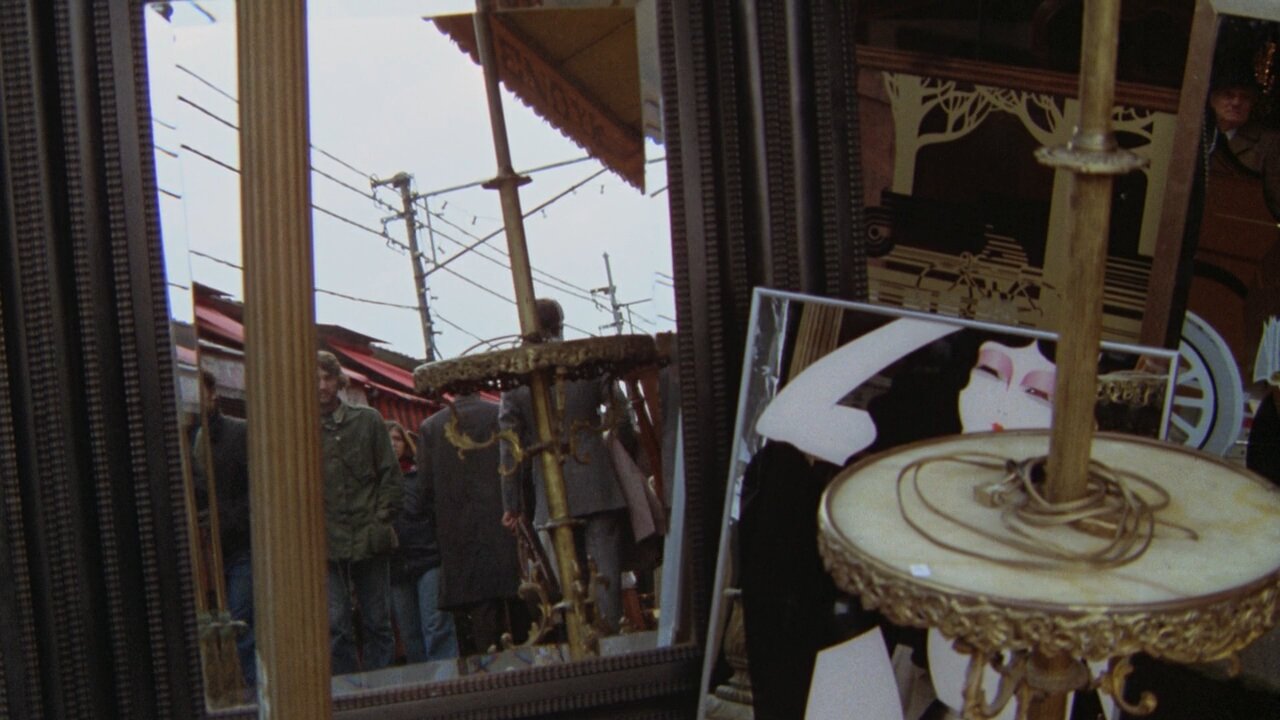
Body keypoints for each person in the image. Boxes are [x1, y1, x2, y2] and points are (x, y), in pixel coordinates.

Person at [498, 298, 629, 635]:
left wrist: (511, 503)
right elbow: (621, 411)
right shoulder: (585, 361)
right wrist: (616, 450)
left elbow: (508, 444)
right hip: (598, 480)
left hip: (549, 487)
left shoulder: (517, 377)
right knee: (605, 573)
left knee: (568, 580)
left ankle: (579, 638)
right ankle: (610, 639)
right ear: (560, 324)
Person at [317, 350, 403, 675]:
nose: (321, 386)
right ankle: (349, 691)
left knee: (377, 621)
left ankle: (383, 688)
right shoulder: (301, 430)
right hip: (328, 542)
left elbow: (390, 475)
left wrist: (381, 520)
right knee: (336, 625)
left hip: (369, 536)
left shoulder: (367, 420)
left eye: (327, 378)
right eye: (315, 379)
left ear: (338, 381)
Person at [418, 392, 522, 655]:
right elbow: (517, 464)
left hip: (458, 534)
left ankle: (487, 667)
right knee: (518, 608)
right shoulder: (498, 414)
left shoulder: (431, 427)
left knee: (479, 621)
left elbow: (425, 489)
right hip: (505, 526)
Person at [191, 370, 254, 687]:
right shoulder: (191, 437)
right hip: (208, 550)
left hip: (241, 544)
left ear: (212, 395)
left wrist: (235, 519)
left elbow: (255, 486)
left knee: (238, 622)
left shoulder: (239, 432)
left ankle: (252, 690)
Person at [387, 419, 458, 663]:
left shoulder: (419, 476)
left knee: (435, 625)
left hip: (427, 558)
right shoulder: (374, 480)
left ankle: (446, 677)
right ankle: (421, 680)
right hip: (395, 565)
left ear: (405, 444)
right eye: (387, 439)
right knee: (409, 633)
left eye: (397, 438)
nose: (392, 444)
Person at [1207, 69, 1280, 222]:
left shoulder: (1270, 144)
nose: (1236, 103)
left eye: (1245, 97)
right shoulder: (1199, 134)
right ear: (1213, 100)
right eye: (1228, 95)